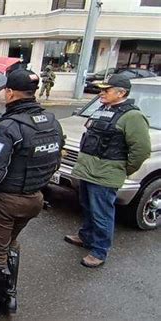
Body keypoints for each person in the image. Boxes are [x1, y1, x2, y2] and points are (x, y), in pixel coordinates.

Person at [0, 69, 64, 318]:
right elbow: (55, 162)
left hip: (6, 201)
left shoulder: (8, 127)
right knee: (10, 243)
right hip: (35, 198)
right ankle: (10, 299)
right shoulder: (51, 122)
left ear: (9, 93)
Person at [65, 74, 151, 268]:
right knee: (87, 207)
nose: (101, 93)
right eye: (102, 89)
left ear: (121, 93)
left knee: (102, 213)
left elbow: (141, 150)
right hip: (87, 170)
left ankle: (99, 251)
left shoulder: (133, 117)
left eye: (106, 90)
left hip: (105, 175)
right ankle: (85, 236)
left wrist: (122, 170)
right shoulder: (103, 109)